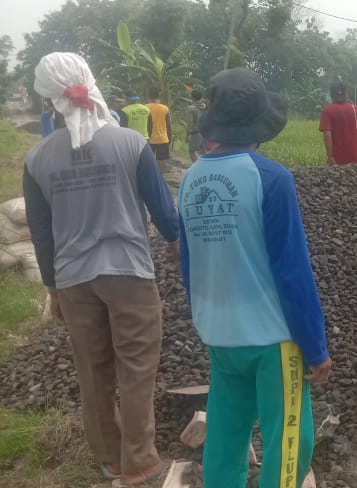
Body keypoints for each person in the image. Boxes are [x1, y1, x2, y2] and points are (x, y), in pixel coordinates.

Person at [23, 52, 178, 487]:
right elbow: (165, 215)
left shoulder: (37, 159)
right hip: (128, 273)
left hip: (73, 280)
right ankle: (140, 462)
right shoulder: (130, 143)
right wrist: (175, 245)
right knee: (136, 368)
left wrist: (53, 288)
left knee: (93, 371)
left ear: (49, 99)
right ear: (91, 83)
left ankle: (109, 459)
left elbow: (41, 234)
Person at [178, 67, 331, 488]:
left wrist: (205, 321)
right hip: (271, 340)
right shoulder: (270, 178)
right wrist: (316, 347)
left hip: (220, 335)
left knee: (226, 432)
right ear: (259, 125)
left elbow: (189, 265)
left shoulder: (190, 180)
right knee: (288, 437)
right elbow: (292, 270)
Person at [320, 81, 357, 165]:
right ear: (345, 94)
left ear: (331, 95)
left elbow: (327, 135)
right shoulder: (356, 109)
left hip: (338, 161)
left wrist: (330, 158)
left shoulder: (327, 111)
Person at [146, 93, 172, 172]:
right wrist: (169, 138)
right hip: (162, 138)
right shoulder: (165, 108)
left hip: (149, 138)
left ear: (149, 97)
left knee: (148, 161)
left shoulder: (145, 108)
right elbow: (169, 125)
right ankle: (161, 178)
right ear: (159, 97)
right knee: (161, 160)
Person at [186, 90, 206, 162]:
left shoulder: (191, 108)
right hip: (205, 132)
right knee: (204, 153)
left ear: (193, 98)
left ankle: (199, 167)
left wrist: (188, 134)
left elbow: (190, 123)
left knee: (192, 152)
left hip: (195, 133)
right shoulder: (205, 107)